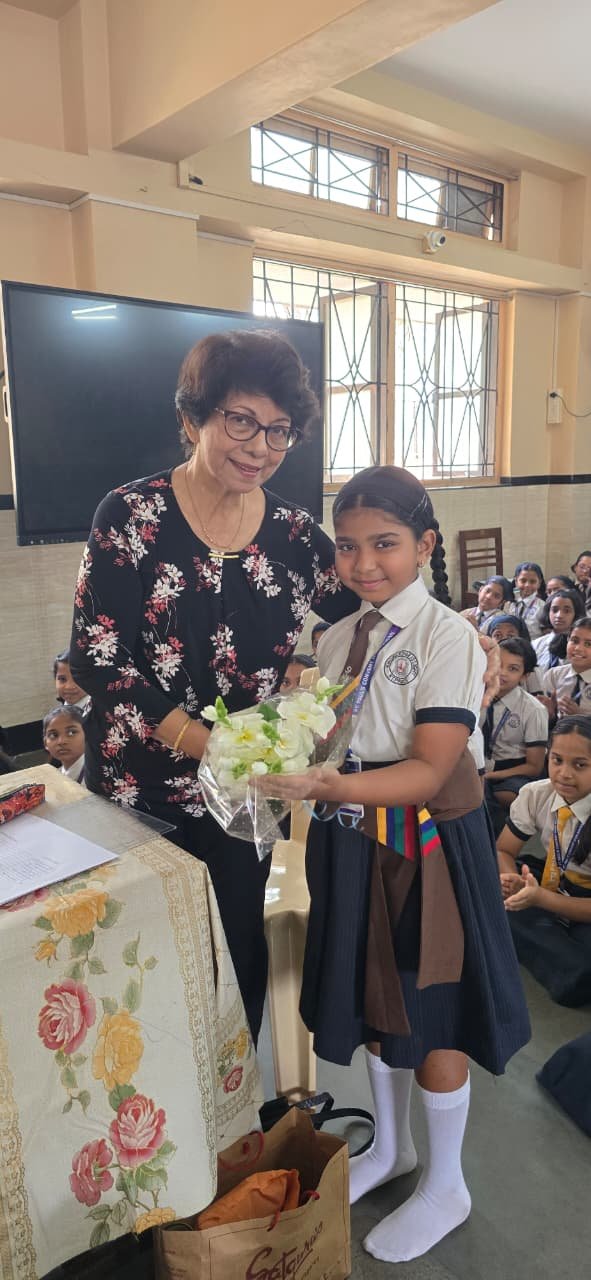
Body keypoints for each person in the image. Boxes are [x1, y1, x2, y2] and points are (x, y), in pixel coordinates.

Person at [259, 465, 530, 1265]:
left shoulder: (446, 636)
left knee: (431, 1007)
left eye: (384, 543)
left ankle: (446, 1182)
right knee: (374, 997)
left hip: (424, 847)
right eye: (346, 547)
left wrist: (328, 784)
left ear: (424, 545)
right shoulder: (337, 637)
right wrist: (276, 745)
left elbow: (428, 768)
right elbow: (328, 736)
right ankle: (393, 1147)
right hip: (351, 839)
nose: (363, 563)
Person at [69, 329, 360, 1044]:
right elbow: (98, 659)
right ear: (192, 417)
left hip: (243, 803)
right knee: (141, 971)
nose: (260, 446)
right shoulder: (129, 517)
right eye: (240, 421)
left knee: (236, 960)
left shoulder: (294, 536)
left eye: (279, 430)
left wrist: (451, 634)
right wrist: (207, 744)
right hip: (140, 791)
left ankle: (233, 1103)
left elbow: (366, 612)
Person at [497, 715, 591, 1007]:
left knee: (580, 970)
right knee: (487, 887)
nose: (564, 774)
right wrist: (513, 881)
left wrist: (540, 899)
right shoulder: (536, 794)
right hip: (550, 878)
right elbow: (504, 851)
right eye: (557, 760)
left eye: (580, 765)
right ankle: (560, 951)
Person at [481, 638, 548, 835]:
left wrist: (489, 775)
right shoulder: (473, 694)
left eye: (513, 669)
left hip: (512, 771)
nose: (502, 673)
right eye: (499, 664)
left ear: (524, 676)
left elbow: (534, 767)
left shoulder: (534, 709)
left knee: (498, 795)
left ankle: (493, 838)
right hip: (477, 765)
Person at [542, 618, 591, 719]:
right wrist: (550, 713)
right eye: (574, 641)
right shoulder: (553, 675)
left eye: (588, 644)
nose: (578, 648)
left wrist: (579, 716)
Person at [486, 614, 544, 696]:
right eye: (498, 635)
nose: (504, 639)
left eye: (510, 636)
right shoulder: (483, 662)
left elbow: (538, 697)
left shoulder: (530, 669)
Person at [532, 589, 586, 671]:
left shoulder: (581, 646)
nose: (559, 615)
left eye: (567, 611)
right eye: (554, 610)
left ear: (576, 614)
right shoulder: (536, 644)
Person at [43, 705, 86, 783]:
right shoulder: (50, 779)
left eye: (72, 732)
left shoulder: (100, 775)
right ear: (45, 743)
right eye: (53, 735)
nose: (61, 741)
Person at [510, 561, 546, 640]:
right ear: (516, 581)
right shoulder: (509, 604)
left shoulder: (543, 607)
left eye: (532, 582)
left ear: (539, 583)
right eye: (523, 581)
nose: (527, 585)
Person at [54, 649, 91, 714]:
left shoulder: (101, 714)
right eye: (62, 679)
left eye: (77, 679)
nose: (69, 686)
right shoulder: (56, 715)